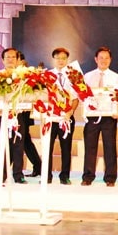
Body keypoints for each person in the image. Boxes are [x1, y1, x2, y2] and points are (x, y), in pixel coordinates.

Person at [81, 47, 118, 187]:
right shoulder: (87, 76)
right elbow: (83, 96)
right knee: (90, 147)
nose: (104, 60)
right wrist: (85, 113)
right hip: (92, 116)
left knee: (110, 147)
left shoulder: (115, 77)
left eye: (106, 58)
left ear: (110, 60)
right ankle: (87, 177)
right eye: (101, 58)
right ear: (95, 59)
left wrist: (117, 111)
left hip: (109, 117)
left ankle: (110, 178)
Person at [0, 48, 28, 183]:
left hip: (18, 115)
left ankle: (18, 175)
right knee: (2, 144)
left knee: (18, 145)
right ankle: (1, 175)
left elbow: (27, 95)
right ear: (3, 60)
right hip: (1, 116)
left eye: (13, 57)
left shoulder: (23, 76)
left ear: (18, 59)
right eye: (7, 57)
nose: (10, 59)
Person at [48, 47, 80, 185]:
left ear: (67, 60)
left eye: (63, 58)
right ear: (54, 59)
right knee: (47, 147)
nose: (61, 61)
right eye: (58, 58)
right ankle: (47, 175)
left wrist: (70, 112)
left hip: (67, 117)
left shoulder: (73, 75)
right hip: (51, 118)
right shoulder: (47, 75)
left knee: (66, 147)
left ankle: (64, 176)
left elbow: (76, 98)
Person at [18, 51, 42, 178]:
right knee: (20, 140)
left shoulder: (28, 74)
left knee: (24, 140)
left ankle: (38, 166)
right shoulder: (10, 74)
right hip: (13, 112)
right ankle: (38, 166)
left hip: (24, 112)